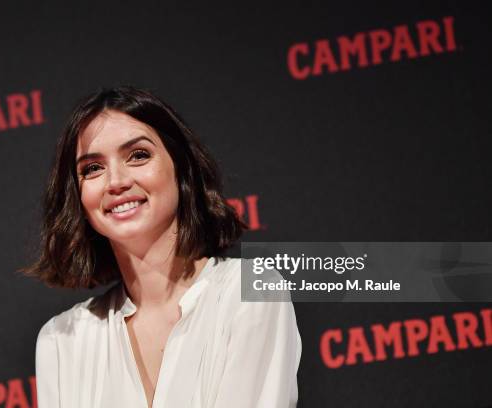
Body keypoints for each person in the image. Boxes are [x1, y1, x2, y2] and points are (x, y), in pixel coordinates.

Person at [22, 86, 301, 407]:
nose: (116, 181)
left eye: (138, 155)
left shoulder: (251, 292)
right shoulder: (61, 340)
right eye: (92, 168)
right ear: (78, 198)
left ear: (181, 168)